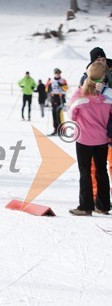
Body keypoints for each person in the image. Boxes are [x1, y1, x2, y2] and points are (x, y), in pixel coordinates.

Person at [68, 61, 111, 216]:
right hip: (102, 139)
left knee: (85, 172)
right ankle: (103, 205)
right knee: (102, 171)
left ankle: (86, 207)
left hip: (84, 139)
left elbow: (71, 114)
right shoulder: (107, 96)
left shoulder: (80, 94)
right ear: (103, 76)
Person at [46, 68, 68, 135]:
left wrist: (62, 85)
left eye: (58, 73)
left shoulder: (63, 80)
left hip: (60, 98)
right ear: (54, 73)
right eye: (56, 73)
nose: (57, 74)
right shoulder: (51, 81)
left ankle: (62, 130)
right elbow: (47, 89)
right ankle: (55, 129)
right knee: (54, 114)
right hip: (53, 98)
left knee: (60, 115)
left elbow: (66, 88)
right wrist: (48, 87)